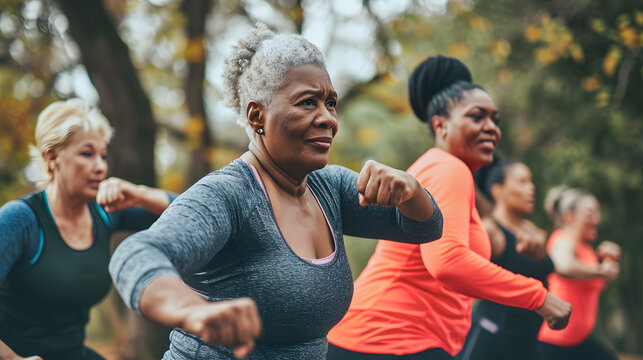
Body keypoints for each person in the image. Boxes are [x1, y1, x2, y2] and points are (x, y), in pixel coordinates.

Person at [108, 24, 443, 360]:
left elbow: (423, 227)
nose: (328, 118)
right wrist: (192, 311)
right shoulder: (229, 195)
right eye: (308, 102)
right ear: (258, 116)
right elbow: (136, 254)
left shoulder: (331, 188)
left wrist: (411, 191)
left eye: (331, 103)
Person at [327, 55, 571, 360]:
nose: (491, 127)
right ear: (440, 125)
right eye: (477, 116)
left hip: (394, 340)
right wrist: (537, 297)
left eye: (495, 119)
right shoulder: (448, 167)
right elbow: (448, 261)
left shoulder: (445, 170)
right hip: (384, 336)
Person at [0, 99, 174, 360]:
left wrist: (139, 194)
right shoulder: (21, 220)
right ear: (52, 157)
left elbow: (191, 214)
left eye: (103, 156)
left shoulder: (105, 212)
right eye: (87, 154)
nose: (101, 166)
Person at [457, 161, 554, 360]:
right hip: (492, 337)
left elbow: (558, 268)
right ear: (498, 190)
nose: (531, 188)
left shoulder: (534, 231)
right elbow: (463, 271)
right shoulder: (489, 230)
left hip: (528, 341)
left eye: (531, 182)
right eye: (522, 182)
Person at [537, 186, 620, 360]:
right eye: (590, 213)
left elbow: (592, 289)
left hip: (577, 341)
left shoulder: (587, 250)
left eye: (598, 213)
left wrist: (608, 264)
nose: (597, 219)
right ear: (569, 216)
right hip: (555, 344)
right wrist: (601, 271)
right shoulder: (563, 240)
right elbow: (563, 265)